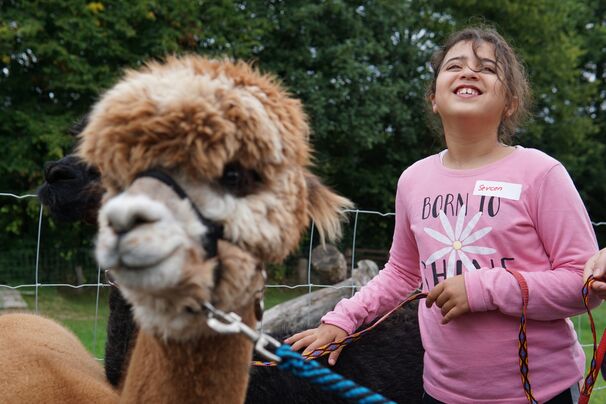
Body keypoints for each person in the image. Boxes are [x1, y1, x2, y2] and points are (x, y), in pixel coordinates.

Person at [286, 26, 601, 404]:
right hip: (439, 393)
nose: (469, 72)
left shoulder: (541, 173)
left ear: (511, 102)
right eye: (454, 65)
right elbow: (402, 273)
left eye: (487, 68)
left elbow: (583, 286)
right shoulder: (413, 180)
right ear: (434, 97)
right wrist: (344, 319)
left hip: (541, 394)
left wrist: (484, 289)